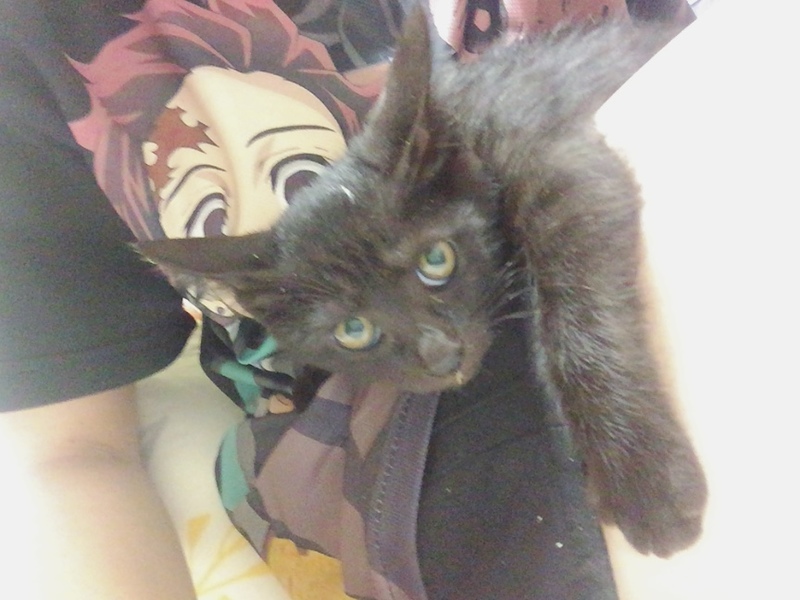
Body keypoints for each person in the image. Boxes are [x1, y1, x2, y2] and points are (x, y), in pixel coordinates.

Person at [0, 1, 693, 599]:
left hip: (631, 156)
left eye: (434, 265)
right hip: (389, 431)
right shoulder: (26, 43)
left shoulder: (465, 135)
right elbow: (65, 452)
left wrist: (597, 386)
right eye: (358, 330)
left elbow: (567, 153)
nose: (438, 349)